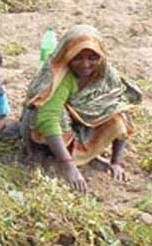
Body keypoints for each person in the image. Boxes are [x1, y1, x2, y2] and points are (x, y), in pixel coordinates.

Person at [19, 24, 143, 193]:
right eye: (78, 57)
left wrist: (117, 162)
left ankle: (82, 155)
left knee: (116, 116)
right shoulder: (59, 75)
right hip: (46, 129)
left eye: (92, 57)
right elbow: (48, 117)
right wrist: (69, 167)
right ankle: (54, 156)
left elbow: (119, 107)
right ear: (67, 54)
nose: (85, 64)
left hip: (81, 126)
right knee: (52, 114)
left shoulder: (105, 73)